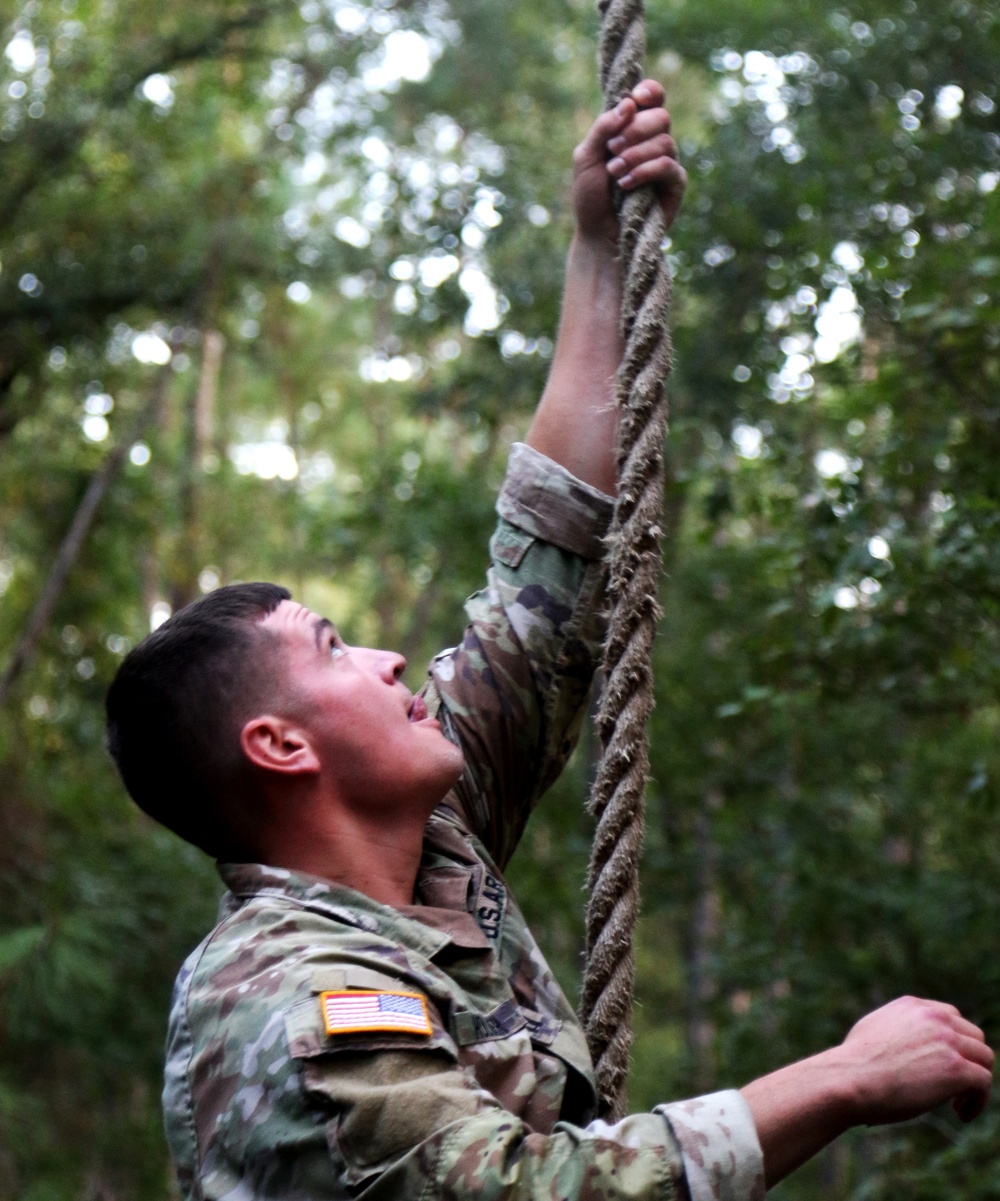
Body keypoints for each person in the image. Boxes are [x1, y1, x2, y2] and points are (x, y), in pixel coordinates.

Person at [106, 82, 993, 1201]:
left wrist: (595, 247)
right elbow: (517, 1190)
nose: (388, 659)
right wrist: (841, 1078)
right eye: (333, 649)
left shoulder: (429, 844)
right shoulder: (282, 988)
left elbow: (549, 575)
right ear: (282, 746)